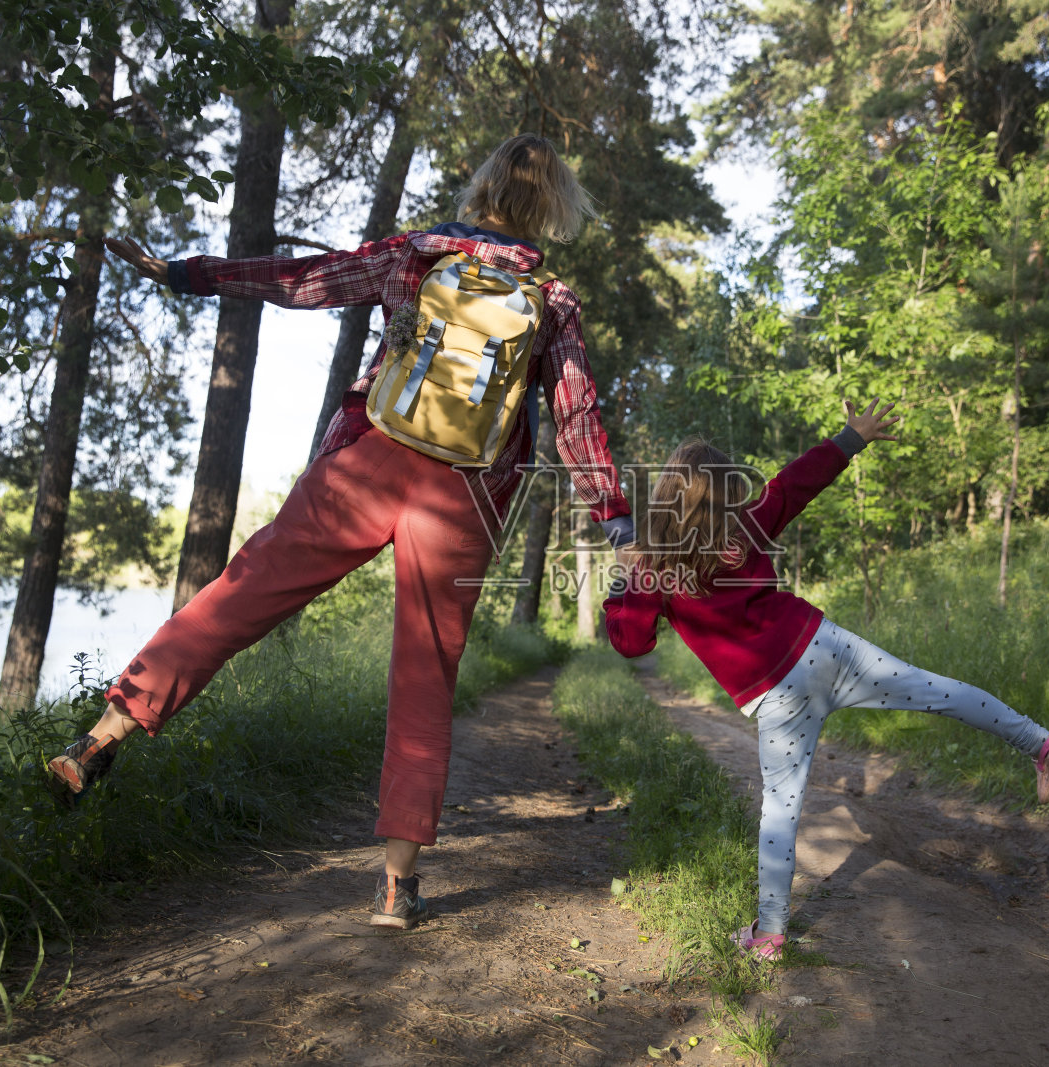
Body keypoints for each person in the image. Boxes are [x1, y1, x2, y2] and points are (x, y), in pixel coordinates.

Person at [46, 134, 635, 930]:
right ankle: (397, 886)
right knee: (423, 681)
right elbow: (576, 418)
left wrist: (188, 273)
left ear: (482, 189)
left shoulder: (413, 260)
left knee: (239, 596)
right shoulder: (552, 301)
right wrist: (615, 520)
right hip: (461, 500)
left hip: (362, 467)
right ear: (550, 208)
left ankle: (103, 732)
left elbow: (303, 280)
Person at [602, 398, 1049, 961]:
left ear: (664, 499)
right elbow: (796, 483)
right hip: (825, 646)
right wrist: (853, 437)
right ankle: (1042, 743)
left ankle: (771, 933)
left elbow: (633, 644)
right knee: (938, 690)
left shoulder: (654, 568)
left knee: (780, 811)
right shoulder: (750, 524)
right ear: (730, 492)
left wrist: (621, 592)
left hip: (775, 697)